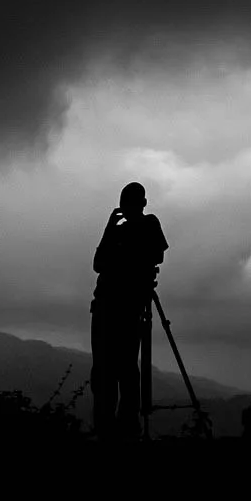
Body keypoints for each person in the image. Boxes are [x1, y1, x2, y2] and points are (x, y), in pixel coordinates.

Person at [91, 183, 168, 439]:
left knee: (123, 368)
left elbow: (156, 255)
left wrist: (120, 253)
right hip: (108, 304)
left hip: (125, 305)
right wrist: (110, 230)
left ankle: (125, 426)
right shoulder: (116, 231)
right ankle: (109, 426)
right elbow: (98, 264)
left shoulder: (149, 224)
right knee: (107, 369)